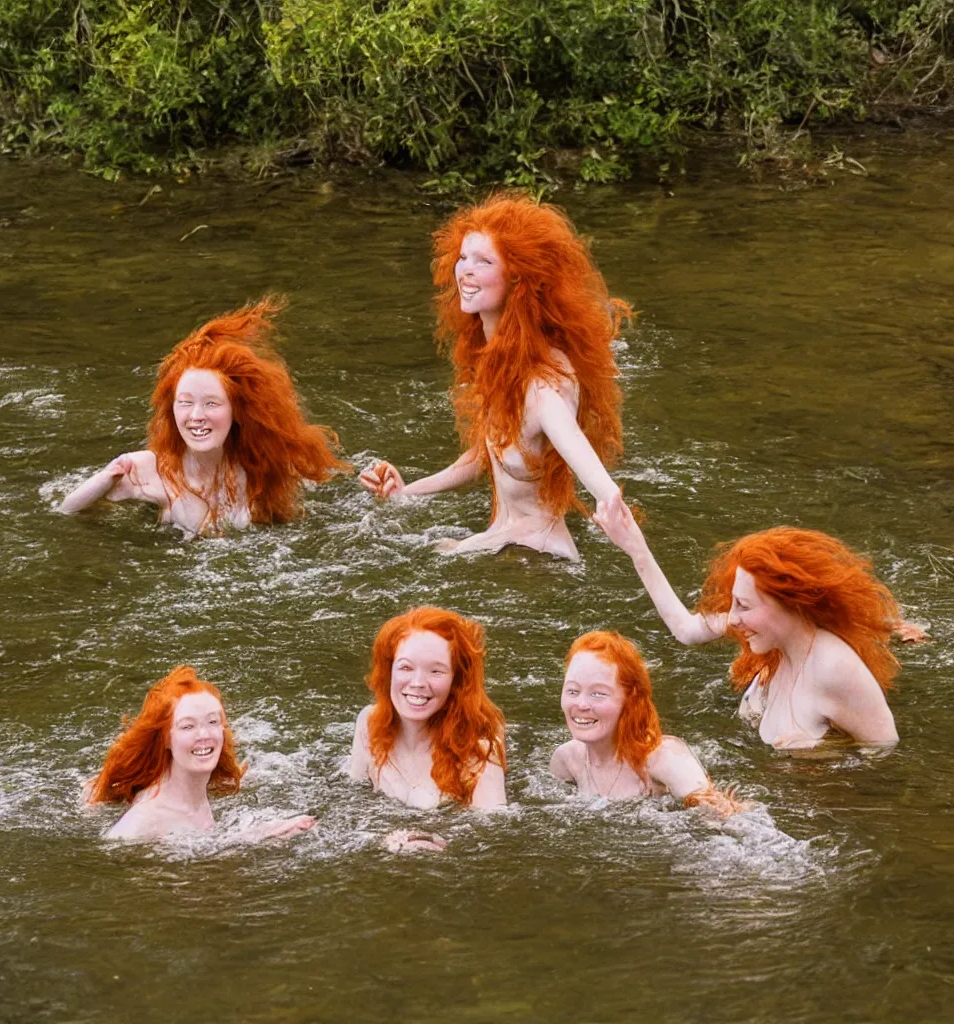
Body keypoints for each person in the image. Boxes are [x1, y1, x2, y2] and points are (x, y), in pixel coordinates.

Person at [359, 193, 632, 560]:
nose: (465, 270)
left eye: (484, 261)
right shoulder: (497, 362)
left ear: (518, 279)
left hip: (538, 560)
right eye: (462, 257)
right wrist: (404, 494)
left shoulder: (543, 386)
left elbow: (603, 487)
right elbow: (481, 457)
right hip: (503, 542)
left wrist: (639, 555)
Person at [593, 500, 907, 749]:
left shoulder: (834, 667)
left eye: (743, 605)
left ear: (790, 605)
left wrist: (828, 755)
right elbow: (686, 630)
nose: (732, 619)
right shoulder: (769, 634)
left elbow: (885, 752)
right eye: (733, 603)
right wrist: (635, 547)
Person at [60, 297, 349, 535]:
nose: (196, 416)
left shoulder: (261, 468)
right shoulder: (149, 468)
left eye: (211, 404)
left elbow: (311, 523)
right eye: (184, 403)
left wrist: (393, 499)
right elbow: (67, 511)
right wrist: (105, 477)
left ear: (238, 412)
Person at [87, 666, 316, 841]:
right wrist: (253, 839)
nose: (204, 734)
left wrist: (263, 832)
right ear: (166, 738)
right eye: (188, 726)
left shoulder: (198, 791)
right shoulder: (144, 821)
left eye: (213, 722)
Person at [348, 607, 507, 850]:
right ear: (388, 670)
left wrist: (427, 842)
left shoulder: (480, 748)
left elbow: (495, 839)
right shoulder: (369, 724)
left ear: (456, 680)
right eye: (406, 667)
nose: (418, 683)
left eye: (436, 671)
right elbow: (351, 803)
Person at [551, 631, 747, 817]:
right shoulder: (566, 761)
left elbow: (724, 816)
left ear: (630, 700)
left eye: (598, 694)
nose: (581, 704)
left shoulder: (663, 757)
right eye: (572, 691)